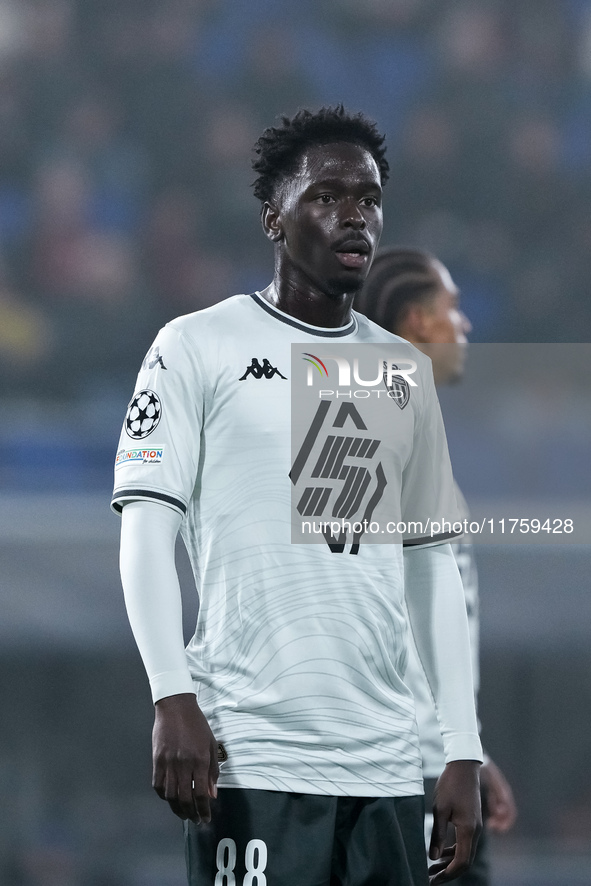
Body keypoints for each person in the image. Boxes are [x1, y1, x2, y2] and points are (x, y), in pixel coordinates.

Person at [113, 106, 483, 886]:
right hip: (254, 758)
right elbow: (147, 526)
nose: (355, 214)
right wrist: (170, 692)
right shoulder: (196, 346)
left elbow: (430, 569)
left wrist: (458, 747)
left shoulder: (401, 372)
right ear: (273, 220)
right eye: (326, 195)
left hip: (384, 771)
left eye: (370, 197)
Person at [356, 247, 518, 885]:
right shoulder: (367, 437)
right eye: (453, 309)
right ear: (416, 322)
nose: (465, 326)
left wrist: (467, 747)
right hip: (399, 775)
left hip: (435, 765)